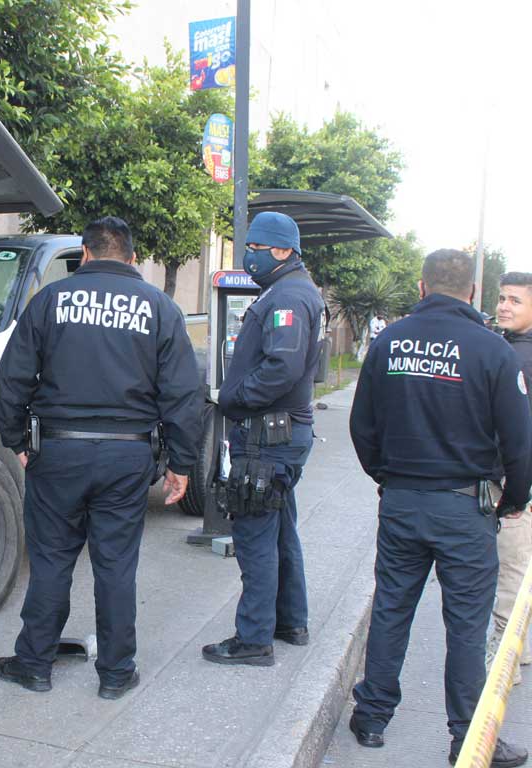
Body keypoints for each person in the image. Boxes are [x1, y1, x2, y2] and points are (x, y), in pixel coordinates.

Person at [0, 216, 203, 699]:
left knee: (50, 561)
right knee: (115, 566)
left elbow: (10, 383)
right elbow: (184, 394)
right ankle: (115, 674)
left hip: (58, 453)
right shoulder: (160, 308)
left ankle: (34, 664)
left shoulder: (49, 301)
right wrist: (182, 464)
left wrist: (18, 440)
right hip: (127, 458)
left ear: (85, 254)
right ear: (131, 258)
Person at [348, 250, 532, 767]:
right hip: (464, 507)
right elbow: (519, 442)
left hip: (403, 501)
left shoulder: (390, 340)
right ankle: (468, 738)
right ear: (472, 292)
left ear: (423, 287)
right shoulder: (492, 350)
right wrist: (513, 499)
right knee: (467, 626)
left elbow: (362, 427)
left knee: (391, 610)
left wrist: (389, 477)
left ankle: (372, 716)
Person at [202, 211, 325, 667]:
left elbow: (283, 366)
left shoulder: (289, 295)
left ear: (281, 250)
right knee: (280, 531)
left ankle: (253, 639)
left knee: (254, 536)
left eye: (253, 247)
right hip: (279, 434)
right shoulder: (288, 289)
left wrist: (234, 399)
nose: (246, 255)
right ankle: (290, 621)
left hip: (266, 437)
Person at [489, 272, 532, 685]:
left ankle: (504, 662)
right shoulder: (512, 348)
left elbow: (515, 433)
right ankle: (519, 648)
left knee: (511, 571)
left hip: (517, 481)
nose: (504, 306)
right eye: (502, 298)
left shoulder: (519, 358)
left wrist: (514, 491)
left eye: (515, 301)